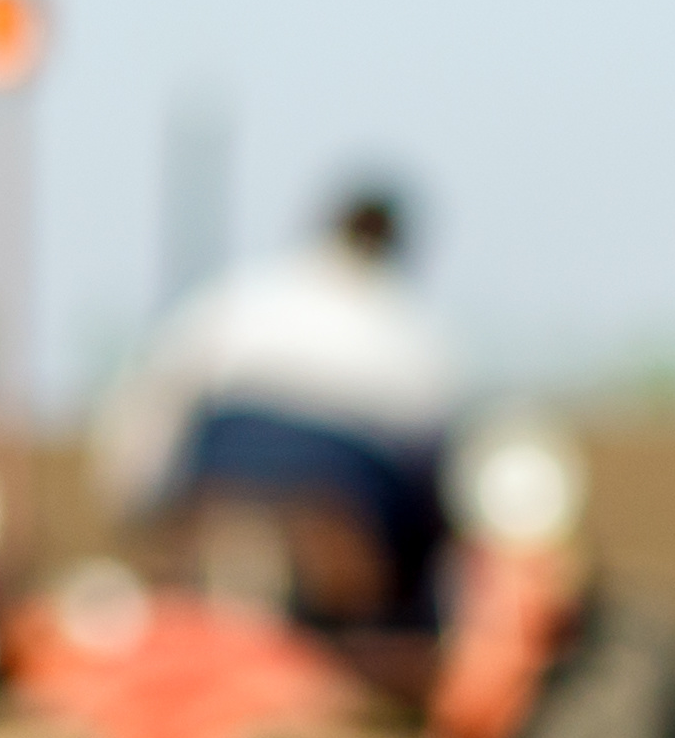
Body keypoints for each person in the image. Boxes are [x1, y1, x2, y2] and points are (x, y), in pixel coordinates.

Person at [88, 176, 464, 669]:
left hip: (214, 509)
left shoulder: (239, 299)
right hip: (340, 537)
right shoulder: (419, 342)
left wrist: (139, 512)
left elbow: (148, 416)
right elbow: (438, 501)